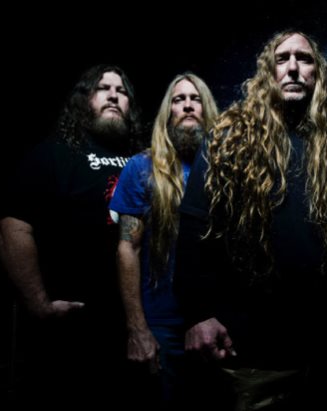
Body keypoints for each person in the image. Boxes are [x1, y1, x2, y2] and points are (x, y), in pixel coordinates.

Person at [174, 30, 327, 410]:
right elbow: (194, 226)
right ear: (268, 72)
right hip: (249, 359)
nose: (293, 67)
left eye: (304, 59)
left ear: (318, 75)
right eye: (282, 59)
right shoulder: (226, 143)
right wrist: (197, 314)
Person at [0, 64, 144, 407]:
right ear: (84, 99)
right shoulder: (54, 153)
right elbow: (12, 227)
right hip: (74, 322)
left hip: (134, 319)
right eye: (103, 88)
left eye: (121, 91)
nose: (113, 96)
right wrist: (39, 304)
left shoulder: (143, 158)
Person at [109, 71, 219, 408]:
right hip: (161, 325)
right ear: (167, 111)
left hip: (216, 324)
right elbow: (127, 248)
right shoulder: (141, 167)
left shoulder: (226, 168)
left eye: (195, 99)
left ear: (207, 108)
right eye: (178, 99)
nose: (187, 106)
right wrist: (137, 329)